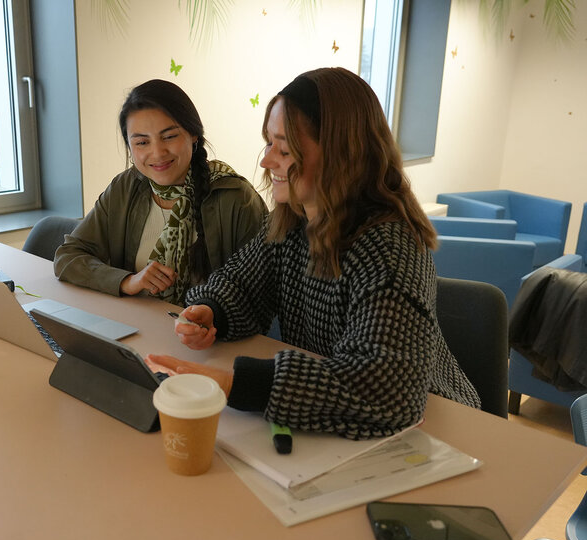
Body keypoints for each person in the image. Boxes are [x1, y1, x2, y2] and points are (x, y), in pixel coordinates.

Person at [145, 68, 480, 440]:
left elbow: (386, 388)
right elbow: (242, 282)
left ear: (341, 154)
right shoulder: (294, 219)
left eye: (284, 149)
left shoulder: (389, 248)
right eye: (269, 143)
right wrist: (212, 310)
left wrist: (235, 384)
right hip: (340, 414)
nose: (267, 160)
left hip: (433, 429)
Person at [53, 79, 267, 306]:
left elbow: (260, 292)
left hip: (211, 336)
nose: (157, 153)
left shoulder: (236, 198)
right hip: (138, 326)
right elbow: (69, 256)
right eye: (142, 142)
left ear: (193, 134)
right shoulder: (126, 186)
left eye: (169, 137)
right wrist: (127, 281)